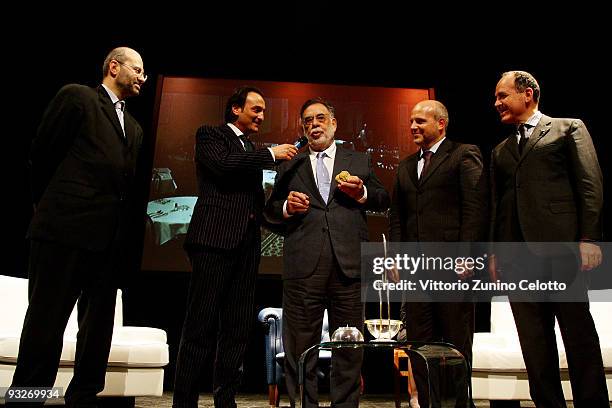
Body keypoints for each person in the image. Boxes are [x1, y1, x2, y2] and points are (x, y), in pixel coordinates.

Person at [7, 47, 147, 407]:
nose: (143, 77)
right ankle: (27, 400)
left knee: (97, 331)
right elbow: (42, 155)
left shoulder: (133, 127)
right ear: (113, 67)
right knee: (46, 325)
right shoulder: (78, 97)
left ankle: (83, 398)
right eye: (138, 69)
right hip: (64, 231)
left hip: (108, 242)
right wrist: (52, 208)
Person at [172, 86, 298, 408]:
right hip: (214, 241)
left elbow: (254, 202)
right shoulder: (211, 135)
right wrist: (271, 154)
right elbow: (224, 166)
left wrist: (282, 211)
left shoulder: (249, 148)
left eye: (263, 112)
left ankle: (225, 400)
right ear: (235, 110)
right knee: (199, 326)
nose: (261, 116)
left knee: (238, 328)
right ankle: (183, 402)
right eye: (256, 109)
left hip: (246, 246)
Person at [490, 70, 609, 407]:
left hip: (562, 253)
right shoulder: (500, 150)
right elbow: (498, 206)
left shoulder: (568, 128)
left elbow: (590, 185)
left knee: (579, 338)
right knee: (535, 345)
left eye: (502, 95)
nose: (496, 103)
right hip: (518, 260)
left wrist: (589, 238)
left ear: (527, 94)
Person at [264, 97, 390, 408]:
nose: (314, 125)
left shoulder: (358, 160)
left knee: (348, 347)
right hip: (302, 268)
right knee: (298, 351)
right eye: (307, 121)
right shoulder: (289, 164)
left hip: (347, 267)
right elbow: (268, 212)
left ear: (333, 124)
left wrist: (360, 192)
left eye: (320, 118)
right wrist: (285, 207)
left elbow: (382, 198)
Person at [389, 100, 487, 408]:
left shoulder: (463, 154)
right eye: (411, 122)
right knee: (418, 344)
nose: (413, 127)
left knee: (457, 344)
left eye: (420, 121)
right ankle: (428, 403)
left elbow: (475, 210)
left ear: (440, 123)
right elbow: (397, 217)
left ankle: (461, 404)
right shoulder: (406, 165)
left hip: (453, 269)